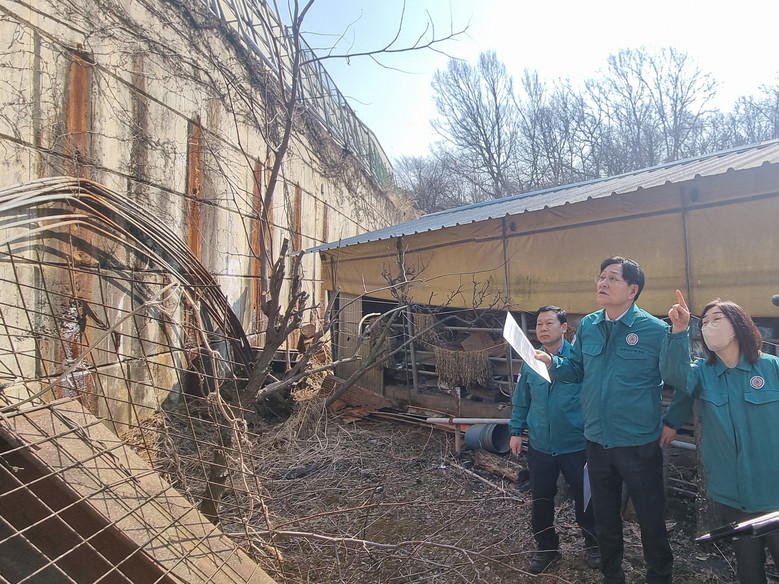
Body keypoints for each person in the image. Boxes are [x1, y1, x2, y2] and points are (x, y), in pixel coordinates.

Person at [535, 256, 674, 584]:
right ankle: (612, 575)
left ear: (632, 290)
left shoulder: (655, 330)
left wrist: (673, 421)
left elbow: (682, 378)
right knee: (605, 517)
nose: (603, 283)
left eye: (612, 278)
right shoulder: (589, 325)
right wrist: (552, 363)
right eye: (601, 277)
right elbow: (577, 370)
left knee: (651, 519)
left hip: (638, 443)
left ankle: (660, 576)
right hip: (596, 439)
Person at [661, 292, 779, 584]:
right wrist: (679, 330)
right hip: (732, 489)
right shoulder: (702, 373)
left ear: (738, 325)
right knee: (748, 564)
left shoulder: (771, 367)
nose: (708, 326)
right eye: (704, 322)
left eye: (717, 319)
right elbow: (674, 374)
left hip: (773, 485)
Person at [509, 306, 600, 574]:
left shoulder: (578, 360)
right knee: (541, 498)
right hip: (541, 444)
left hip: (576, 444)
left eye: (549, 323)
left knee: (586, 497)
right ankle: (546, 548)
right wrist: (516, 431)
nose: (543, 328)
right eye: (539, 324)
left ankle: (594, 545)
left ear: (564, 328)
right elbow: (522, 398)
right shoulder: (530, 360)